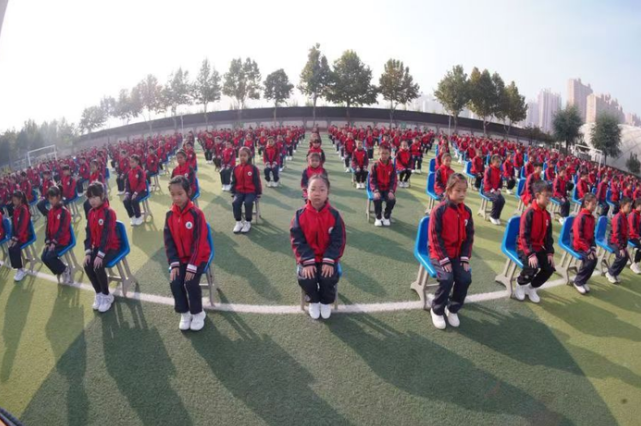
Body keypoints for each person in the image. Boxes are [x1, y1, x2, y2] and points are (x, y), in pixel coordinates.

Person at [291, 173, 346, 320]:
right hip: (307, 258)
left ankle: (325, 301)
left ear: (328, 192)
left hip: (327, 257)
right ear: (307, 192)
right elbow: (297, 241)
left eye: (322, 189)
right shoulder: (299, 215)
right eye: (313, 189)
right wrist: (307, 262)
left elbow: (338, 240)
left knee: (327, 277)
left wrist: (329, 260)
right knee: (307, 278)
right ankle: (313, 301)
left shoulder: (334, 215)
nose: (317, 193)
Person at [427, 173, 474, 330]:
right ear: (448, 190)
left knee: (465, 278)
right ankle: (437, 309)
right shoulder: (439, 210)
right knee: (447, 279)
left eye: (464, 191)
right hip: (439, 254)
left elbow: (469, 237)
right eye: (458, 190)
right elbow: (434, 237)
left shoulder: (467, 211)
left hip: (457, 255)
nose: (462, 194)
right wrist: (444, 259)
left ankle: (452, 308)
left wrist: (465, 257)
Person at [164, 176, 210, 331]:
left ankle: (198, 313)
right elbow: (169, 241)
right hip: (180, 259)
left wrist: (193, 265)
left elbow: (199, 242)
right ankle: (185, 312)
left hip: (198, 257)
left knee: (190, 282)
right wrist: (174, 263)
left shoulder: (197, 214)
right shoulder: (169, 215)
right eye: (173, 194)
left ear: (188, 192)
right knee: (175, 282)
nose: (176, 198)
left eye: (180, 193)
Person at [515, 181, 555, 303]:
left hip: (538, 247)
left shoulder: (547, 215)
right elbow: (524, 236)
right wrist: (531, 254)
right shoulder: (529, 212)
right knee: (532, 267)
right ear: (537, 195)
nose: (549, 199)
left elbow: (548, 236)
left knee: (549, 268)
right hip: (524, 247)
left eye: (550, 196)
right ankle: (520, 284)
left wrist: (549, 252)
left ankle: (531, 288)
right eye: (546, 196)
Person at [84, 182, 119, 313]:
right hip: (98, 247)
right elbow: (88, 233)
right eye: (90, 198)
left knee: (98, 265)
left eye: (95, 197)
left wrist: (100, 255)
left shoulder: (109, 212)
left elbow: (107, 236)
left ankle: (106, 295)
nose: (92, 201)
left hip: (112, 247)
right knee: (87, 264)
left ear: (102, 195)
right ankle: (98, 293)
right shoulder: (90, 212)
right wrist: (88, 252)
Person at [41, 186, 73, 284]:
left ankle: (66, 270)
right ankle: (60, 270)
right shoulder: (50, 212)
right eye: (49, 199)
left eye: (52, 198)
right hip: (53, 242)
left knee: (49, 256)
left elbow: (62, 230)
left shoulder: (64, 212)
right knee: (43, 257)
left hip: (63, 241)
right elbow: (47, 229)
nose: (50, 201)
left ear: (58, 197)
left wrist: (54, 243)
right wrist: (47, 241)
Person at [230, 147, 262, 234]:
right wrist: (233, 191)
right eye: (241, 155)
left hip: (250, 192)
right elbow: (233, 181)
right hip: (239, 191)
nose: (242, 157)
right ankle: (238, 222)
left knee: (248, 202)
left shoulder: (253, 168)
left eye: (244, 155)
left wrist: (258, 192)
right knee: (235, 202)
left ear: (249, 156)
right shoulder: (236, 168)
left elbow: (257, 181)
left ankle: (248, 222)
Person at [571, 193, 598, 294]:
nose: (595, 207)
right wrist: (588, 250)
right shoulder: (581, 217)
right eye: (593, 204)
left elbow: (592, 235)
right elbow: (578, 237)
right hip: (578, 245)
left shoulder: (591, 218)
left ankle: (583, 280)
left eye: (595, 204)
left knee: (595, 259)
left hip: (585, 245)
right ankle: (578, 282)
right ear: (586, 203)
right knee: (590, 259)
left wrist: (593, 247)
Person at [605, 197, 632, 284]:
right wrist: (621, 248)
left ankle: (615, 273)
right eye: (628, 206)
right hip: (613, 241)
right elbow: (616, 235)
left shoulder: (624, 217)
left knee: (626, 256)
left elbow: (624, 233)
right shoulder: (618, 217)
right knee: (621, 256)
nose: (630, 208)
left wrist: (624, 246)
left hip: (620, 242)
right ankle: (610, 273)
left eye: (630, 206)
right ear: (622, 206)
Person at [369, 145, 397, 227]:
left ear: (390, 154)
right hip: (378, 188)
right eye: (382, 153)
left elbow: (394, 180)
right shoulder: (375, 165)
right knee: (377, 199)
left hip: (388, 189)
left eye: (386, 153)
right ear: (379, 153)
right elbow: (372, 180)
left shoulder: (392, 166)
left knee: (392, 200)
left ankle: (386, 216)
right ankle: (378, 217)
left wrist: (391, 191)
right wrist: (376, 191)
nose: (384, 155)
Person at [7, 191, 31, 282]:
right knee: (10, 247)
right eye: (13, 200)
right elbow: (14, 226)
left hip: (25, 235)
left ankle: (21, 270)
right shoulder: (16, 209)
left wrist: (17, 238)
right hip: (18, 236)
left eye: (15, 200)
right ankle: (19, 268)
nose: (13, 202)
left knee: (14, 247)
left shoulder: (24, 209)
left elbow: (23, 226)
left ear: (20, 200)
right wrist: (13, 237)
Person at [123, 155, 148, 226]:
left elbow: (142, 184)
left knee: (134, 200)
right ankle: (132, 216)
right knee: (125, 200)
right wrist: (127, 192)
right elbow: (127, 184)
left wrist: (136, 193)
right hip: (131, 192)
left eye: (132, 162)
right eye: (130, 162)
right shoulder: (129, 172)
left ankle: (139, 217)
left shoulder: (141, 171)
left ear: (137, 162)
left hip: (142, 191)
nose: (130, 164)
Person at [483, 154, 505, 226]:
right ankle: (492, 216)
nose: (499, 163)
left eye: (499, 162)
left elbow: (500, 182)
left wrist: (499, 190)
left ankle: (497, 217)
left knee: (502, 200)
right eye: (497, 162)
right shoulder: (488, 169)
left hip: (496, 191)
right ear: (493, 162)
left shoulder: (499, 171)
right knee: (496, 200)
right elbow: (486, 182)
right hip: (487, 190)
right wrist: (493, 190)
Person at [628, 199, 641, 274]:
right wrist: (639, 238)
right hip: (630, 236)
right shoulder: (632, 215)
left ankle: (636, 263)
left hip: (635, 235)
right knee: (640, 246)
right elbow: (632, 230)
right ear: (638, 206)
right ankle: (635, 264)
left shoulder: (638, 214)